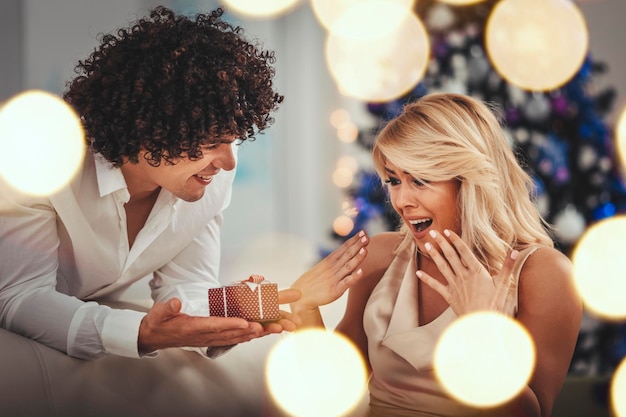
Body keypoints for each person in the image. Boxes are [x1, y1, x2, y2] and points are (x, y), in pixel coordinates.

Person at [0, 6, 369, 361]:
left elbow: (186, 287)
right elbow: (19, 296)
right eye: (210, 144)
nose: (227, 163)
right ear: (146, 128)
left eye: (233, 138)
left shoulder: (210, 175)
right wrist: (140, 333)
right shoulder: (41, 162)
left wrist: (238, 306)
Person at [291, 93, 582, 417]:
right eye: (394, 180)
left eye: (419, 180)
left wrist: (480, 327)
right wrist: (305, 308)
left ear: (469, 182)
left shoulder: (544, 275)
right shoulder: (380, 257)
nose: (401, 200)